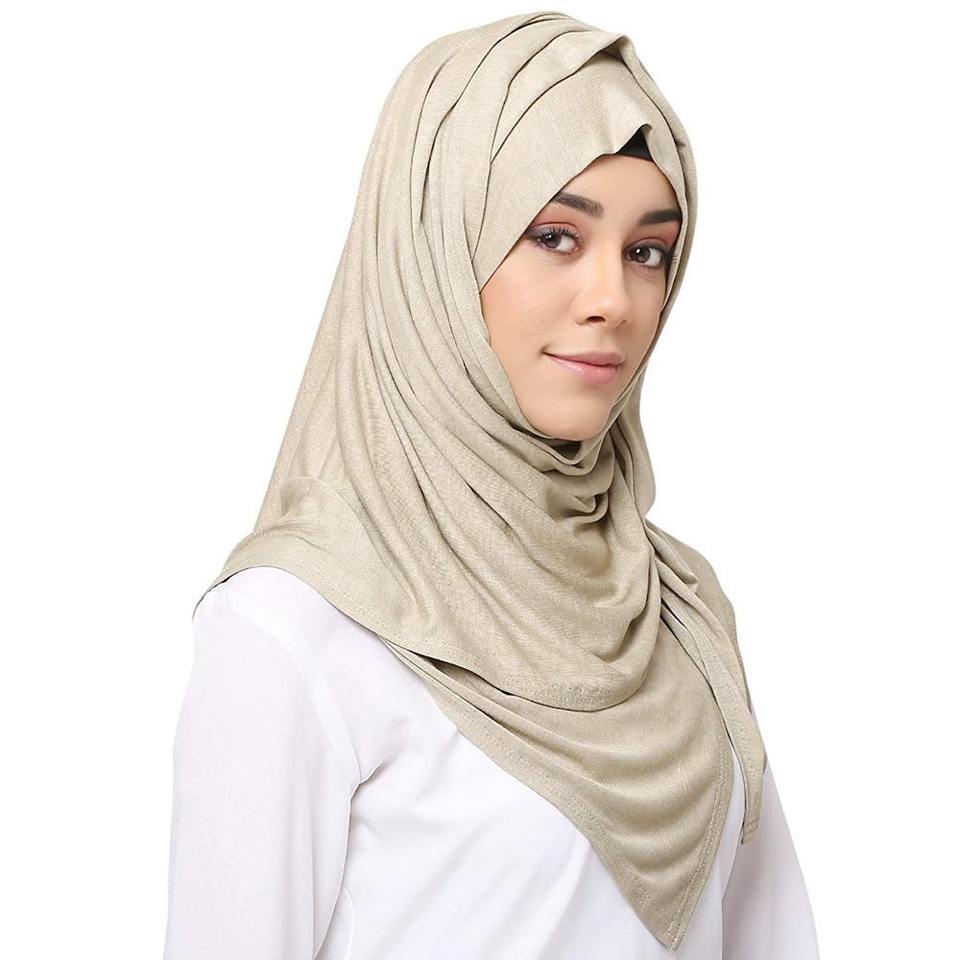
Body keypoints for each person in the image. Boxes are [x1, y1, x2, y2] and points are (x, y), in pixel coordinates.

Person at [162, 11, 819, 959]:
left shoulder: (677, 609)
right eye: (555, 236)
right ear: (432, 245)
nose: (614, 300)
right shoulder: (295, 630)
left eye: (647, 251)